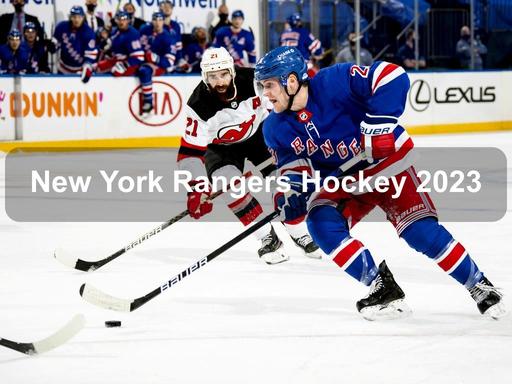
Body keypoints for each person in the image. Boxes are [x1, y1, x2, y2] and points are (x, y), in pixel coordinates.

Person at [254, 46, 505, 320]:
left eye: (269, 85)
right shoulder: (274, 128)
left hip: (388, 167)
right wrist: (291, 196)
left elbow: (392, 75)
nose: (265, 94)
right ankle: (382, 288)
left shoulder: (335, 80)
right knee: (320, 223)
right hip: (345, 182)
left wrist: (379, 123)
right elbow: (293, 171)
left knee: (419, 232)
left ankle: (478, 284)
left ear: (291, 81)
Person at [177, 47, 322, 264]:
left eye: (224, 74)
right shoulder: (198, 105)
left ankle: (297, 229)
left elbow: (283, 106)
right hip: (219, 148)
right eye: (213, 76)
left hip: (258, 135)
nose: (219, 81)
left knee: (283, 178)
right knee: (228, 185)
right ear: (204, 77)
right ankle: (267, 238)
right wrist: (196, 188)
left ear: (232, 71)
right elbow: (189, 152)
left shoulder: (255, 81)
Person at [81, 11, 153, 116]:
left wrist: (125, 65)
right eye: (119, 19)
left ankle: (148, 101)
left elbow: (139, 57)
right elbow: (110, 45)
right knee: (96, 66)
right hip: (116, 59)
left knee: (116, 71)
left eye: (124, 19)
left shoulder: (133, 34)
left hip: (130, 62)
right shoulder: (115, 31)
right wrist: (106, 45)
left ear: (128, 20)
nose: (121, 22)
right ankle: (91, 72)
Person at [52, 6, 98, 74]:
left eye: (79, 17)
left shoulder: (88, 32)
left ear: (83, 17)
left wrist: (87, 67)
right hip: (63, 69)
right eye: (74, 17)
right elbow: (56, 43)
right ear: (70, 17)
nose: (76, 20)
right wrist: (52, 46)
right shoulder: (61, 27)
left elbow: (90, 54)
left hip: (79, 71)